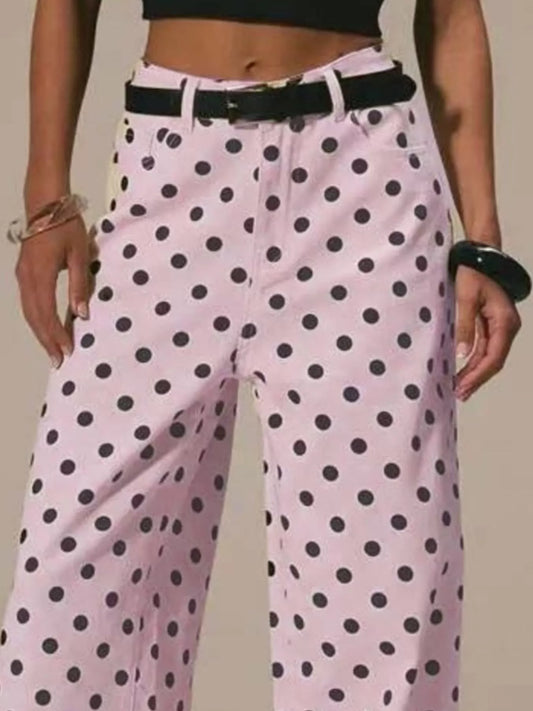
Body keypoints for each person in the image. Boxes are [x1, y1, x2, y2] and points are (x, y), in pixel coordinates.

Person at [0, 1, 525, 710]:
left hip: (360, 176)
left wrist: (482, 241)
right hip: (169, 160)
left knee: (379, 569)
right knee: (73, 568)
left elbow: (453, 14)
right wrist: (46, 203)